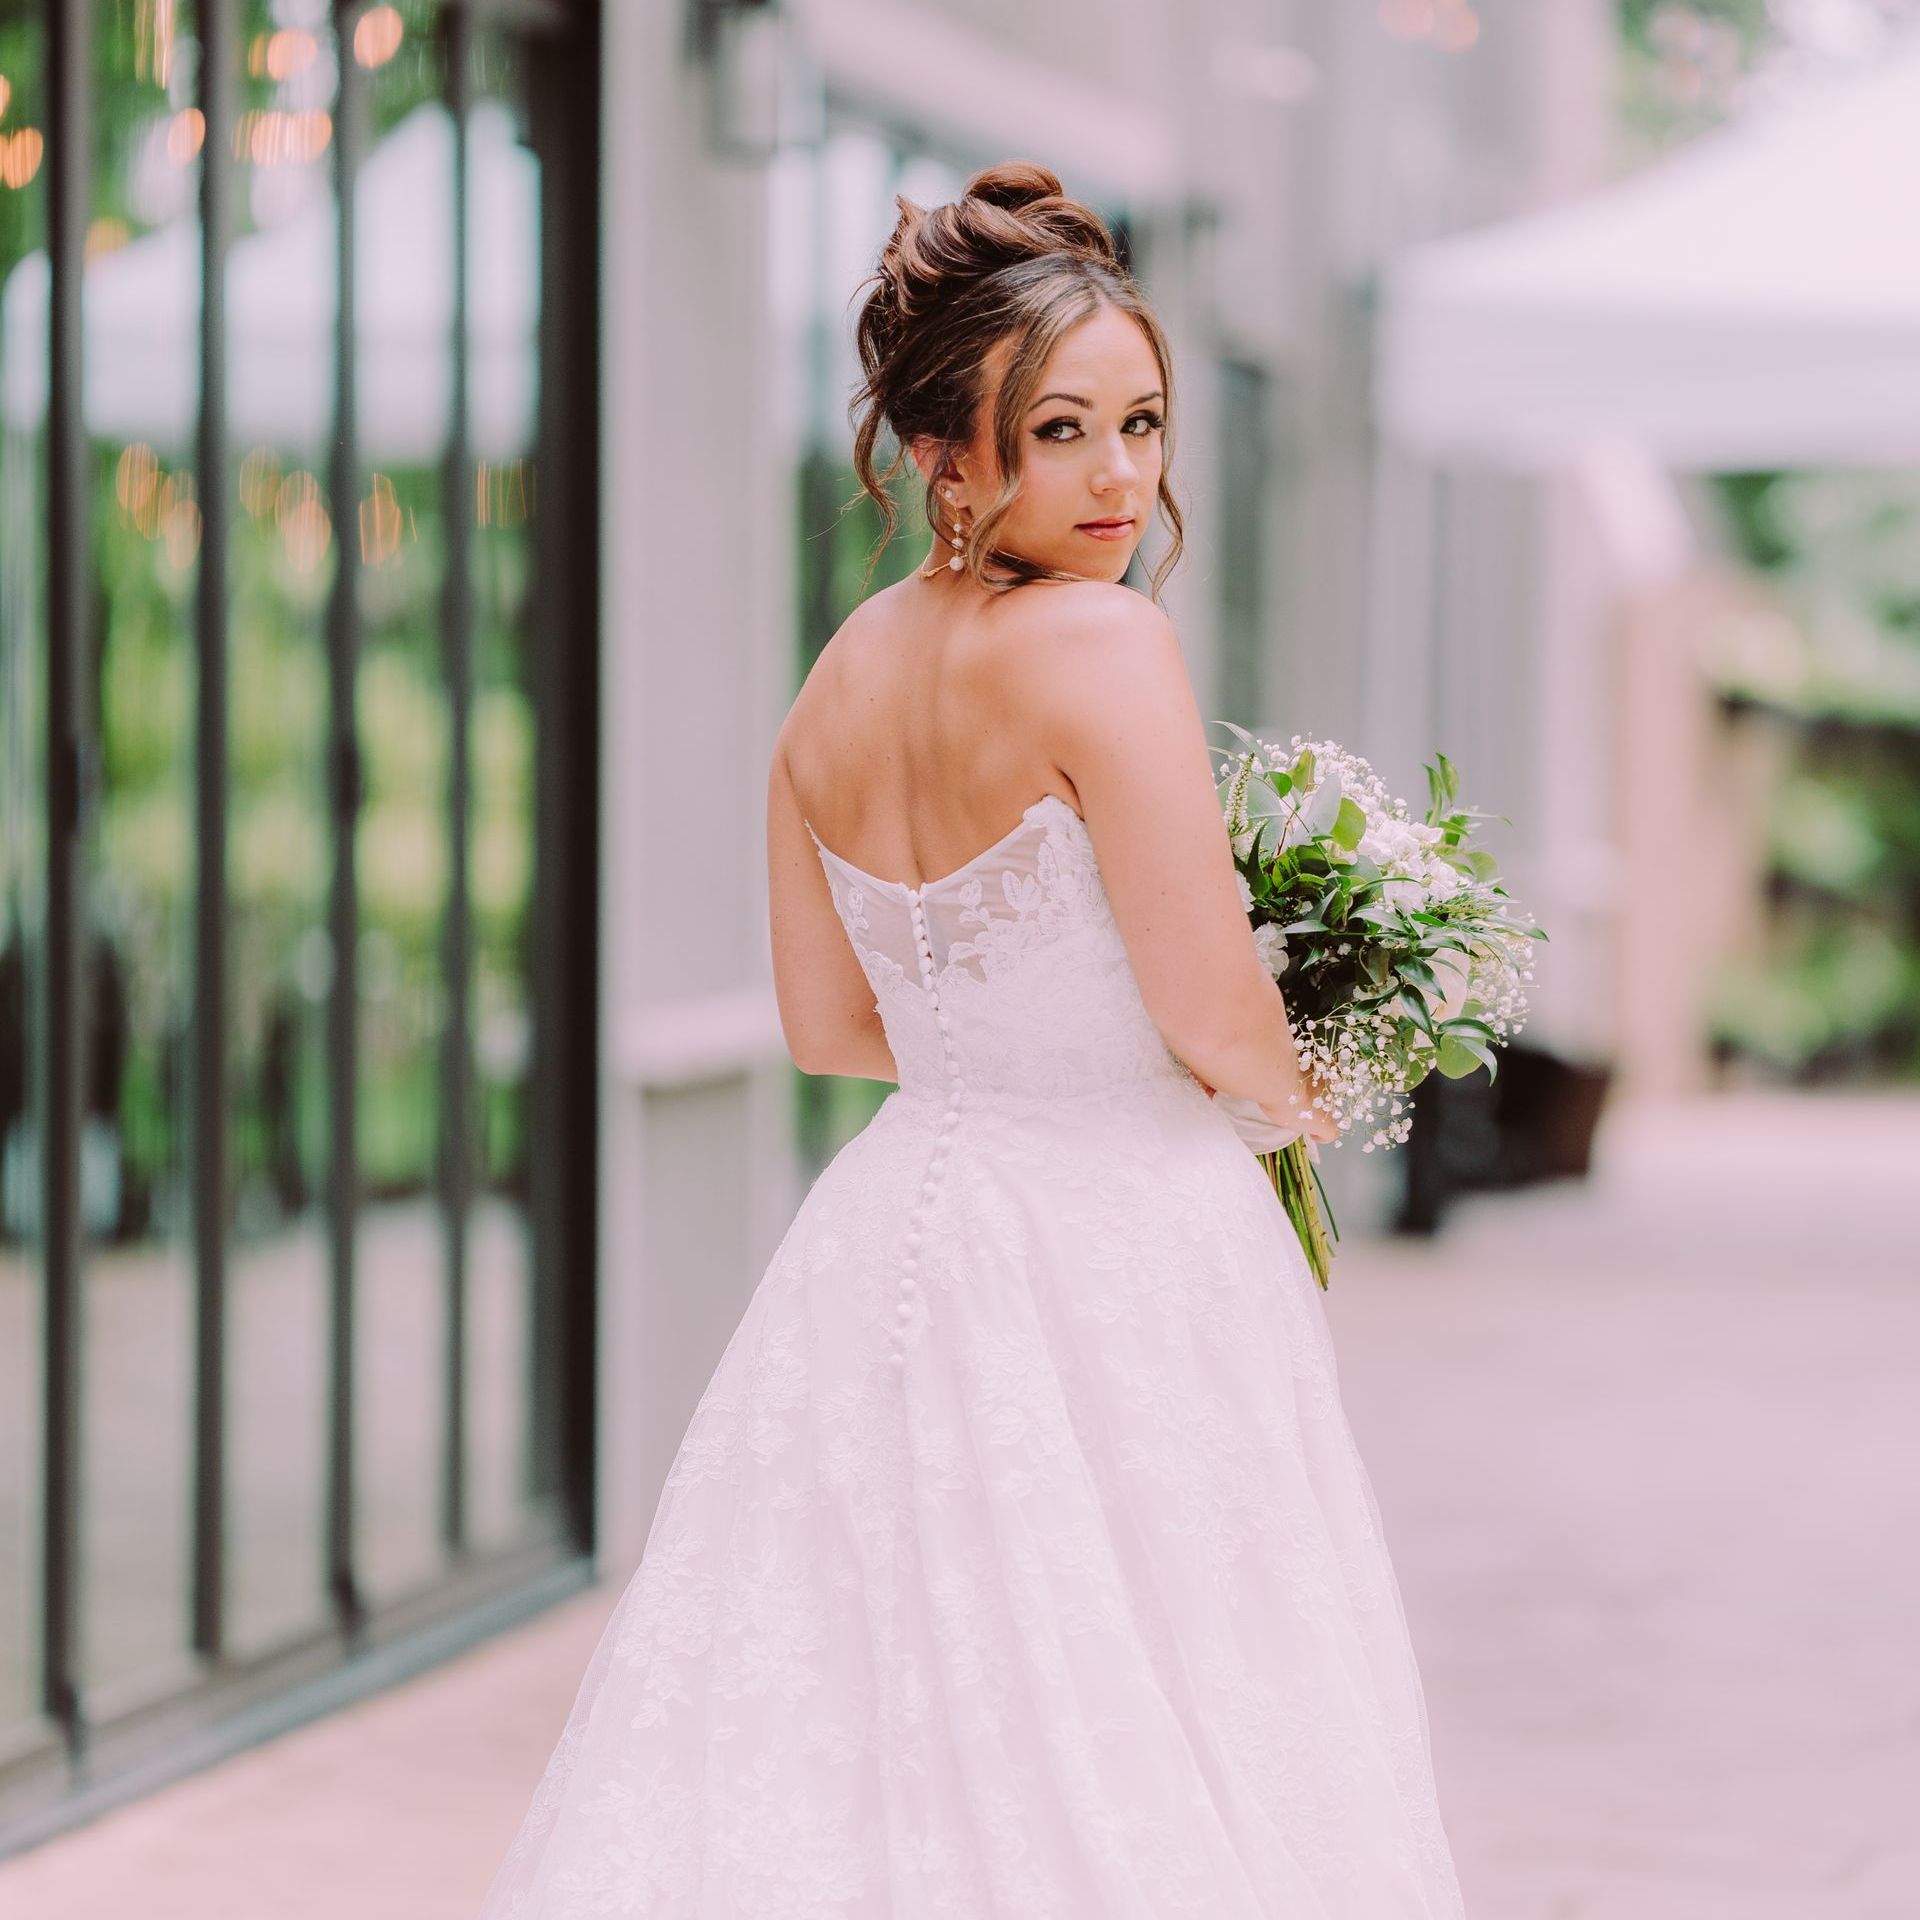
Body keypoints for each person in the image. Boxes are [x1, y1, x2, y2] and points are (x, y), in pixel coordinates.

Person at [477, 160, 1466, 1918]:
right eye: (1060, 432)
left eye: (1142, 425)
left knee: (868, 1706)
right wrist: (1305, 1081)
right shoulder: (1103, 648)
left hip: (893, 1230)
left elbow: (829, 1027)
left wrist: (1005, 1059)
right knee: (1167, 1691)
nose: (1119, 478)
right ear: (943, 456)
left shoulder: (836, 681)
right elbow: (1209, 1008)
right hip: (1126, 1243)